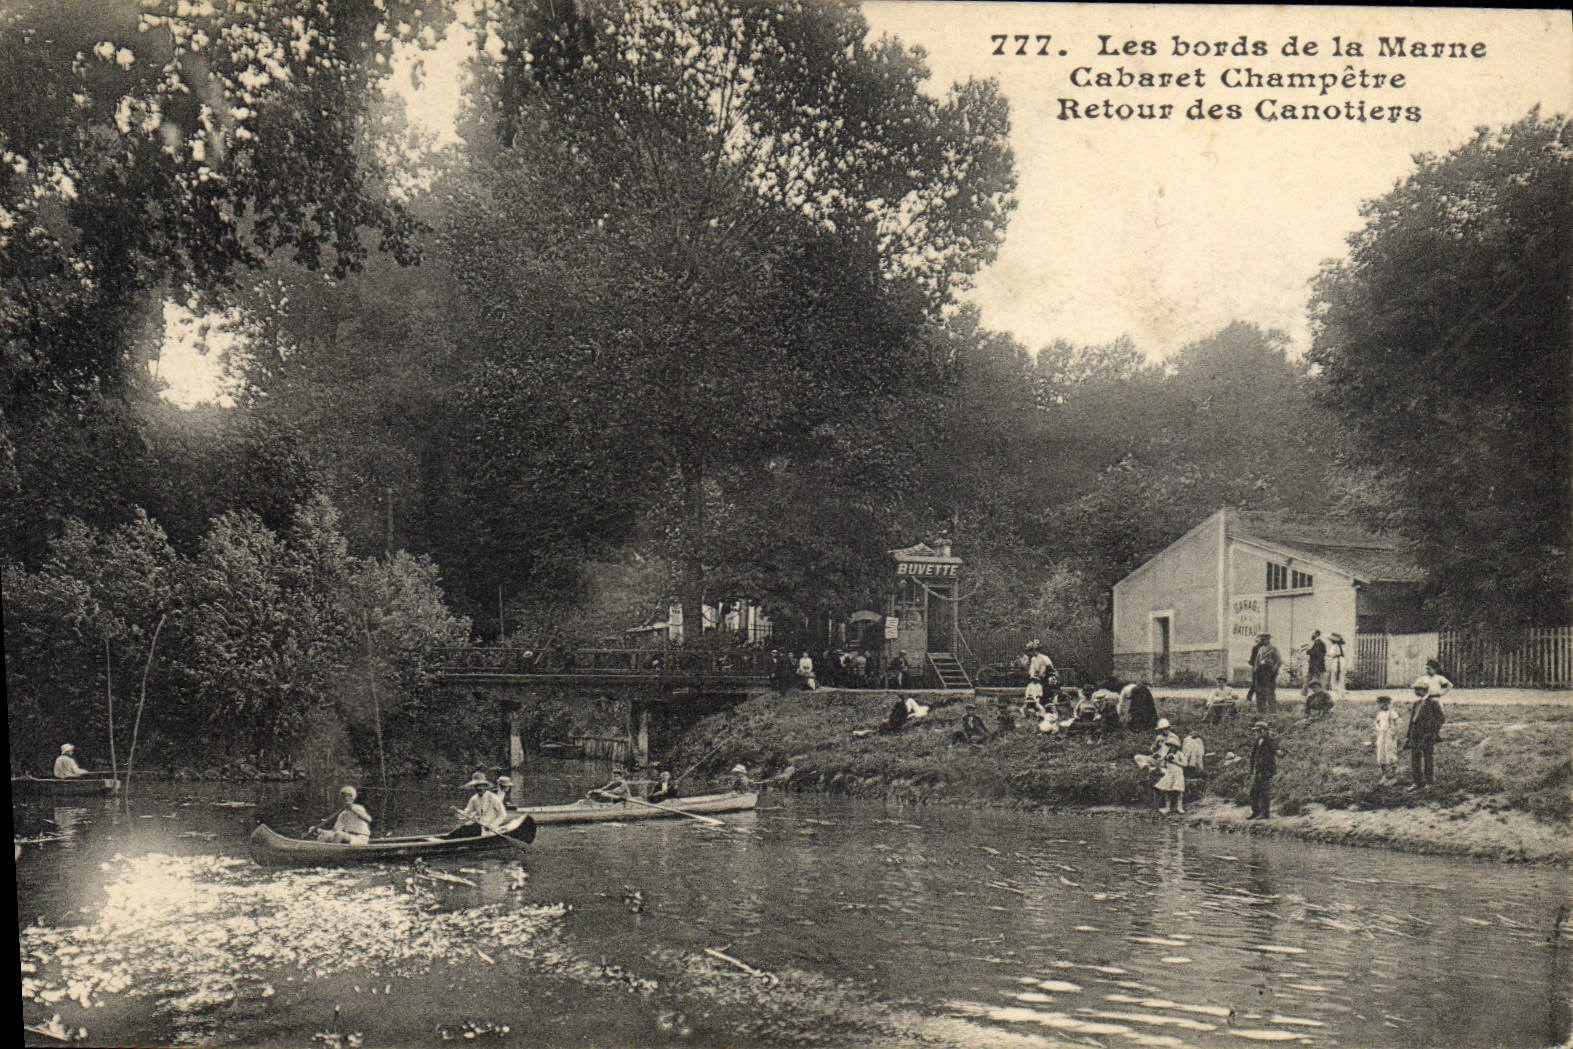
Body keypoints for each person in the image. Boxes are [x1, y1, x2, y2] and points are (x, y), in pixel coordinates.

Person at [1403, 670, 1448, 790]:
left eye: (1419, 689)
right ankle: (1417, 781)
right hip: (1415, 734)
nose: (1417, 692)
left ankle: (1429, 781)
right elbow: (1413, 720)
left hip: (1427, 734)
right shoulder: (1417, 703)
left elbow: (1441, 719)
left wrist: (1433, 732)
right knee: (1415, 758)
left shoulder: (1433, 703)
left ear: (1425, 690)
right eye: (1416, 690)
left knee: (1428, 757)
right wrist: (1408, 736)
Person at [450, 773, 508, 837]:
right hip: (478, 827)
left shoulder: (493, 798)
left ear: (485, 786)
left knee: (472, 829)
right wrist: (457, 811)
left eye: (481, 786)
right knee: (459, 831)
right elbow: (467, 813)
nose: (479, 788)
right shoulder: (474, 799)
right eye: (477, 786)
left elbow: (503, 815)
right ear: (474, 787)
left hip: (490, 829)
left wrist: (492, 825)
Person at [1151, 720, 1186, 814]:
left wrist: (1174, 760)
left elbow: (1184, 763)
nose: (1171, 748)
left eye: (1164, 730)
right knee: (1167, 789)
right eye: (1161, 730)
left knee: (1178, 790)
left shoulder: (1177, 748)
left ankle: (1179, 807)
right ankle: (1167, 807)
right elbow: (1154, 750)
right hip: (1168, 769)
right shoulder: (1160, 739)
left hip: (1177, 771)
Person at [1248, 721, 1279, 819]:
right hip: (1258, 770)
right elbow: (1253, 756)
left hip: (1266, 770)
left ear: (1263, 731)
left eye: (1257, 731)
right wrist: (1252, 769)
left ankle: (1265, 814)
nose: (1255, 733)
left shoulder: (1269, 741)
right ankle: (1256, 811)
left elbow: (1276, 752)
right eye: (1255, 731)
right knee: (1254, 792)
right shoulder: (1257, 742)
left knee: (1264, 792)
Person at [1251, 633, 1281, 713]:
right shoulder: (1260, 649)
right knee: (1260, 691)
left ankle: (1272, 710)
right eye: (1261, 640)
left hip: (1269, 671)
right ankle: (1261, 710)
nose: (1261, 641)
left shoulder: (1274, 649)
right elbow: (1257, 661)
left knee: (1270, 691)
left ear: (1268, 640)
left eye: (1263, 640)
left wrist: (1273, 670)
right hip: (1260, 671)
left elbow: (1278, 661)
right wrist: (1256, 671)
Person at [1374, 695, 1400, 783]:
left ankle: (1393, 776)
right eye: (1381, 704)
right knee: (1381, 755)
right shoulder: (1380, 713)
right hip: (1382, 734)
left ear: (1390, 704)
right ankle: (1385, 775)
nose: (1384, 706)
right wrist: (1378, 728)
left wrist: (1394, 732)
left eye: (1386, 704)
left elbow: (1397, 723)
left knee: (1390, 754)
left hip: (1389, 734)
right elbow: (1377, 722)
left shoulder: (1392, 713)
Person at [1023, 639, 1056, 707]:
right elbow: (1031, 671)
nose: (1029, 653)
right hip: (1036, 679)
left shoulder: (1044, 658)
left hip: (1046, 679)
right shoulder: (1033, 659)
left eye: (1030, 651)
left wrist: (1044, 676)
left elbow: (1049, 671)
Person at [1180, 727, 1206, 802]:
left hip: (1196, 755)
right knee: (1187, 759)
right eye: (1192, 733)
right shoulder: (1187, 739)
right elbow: (1184, 748)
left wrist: (1199, 753)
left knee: (1196, 760)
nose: (1194, 734)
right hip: (1187, 754)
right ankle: (1187, 772)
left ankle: (1196, 772)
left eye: (1195, 733)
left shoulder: (1199, 740)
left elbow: (1201, 749)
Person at [1327, 633, 1348, 698]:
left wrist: (1327, 655)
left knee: (1334, 675)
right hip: (1342, 660)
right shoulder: (1343, 646)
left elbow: (1331, 654)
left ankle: (1336, 691)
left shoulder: (1333, 646)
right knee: (1341, 676)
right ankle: (1341, 691)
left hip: (1336, 661)